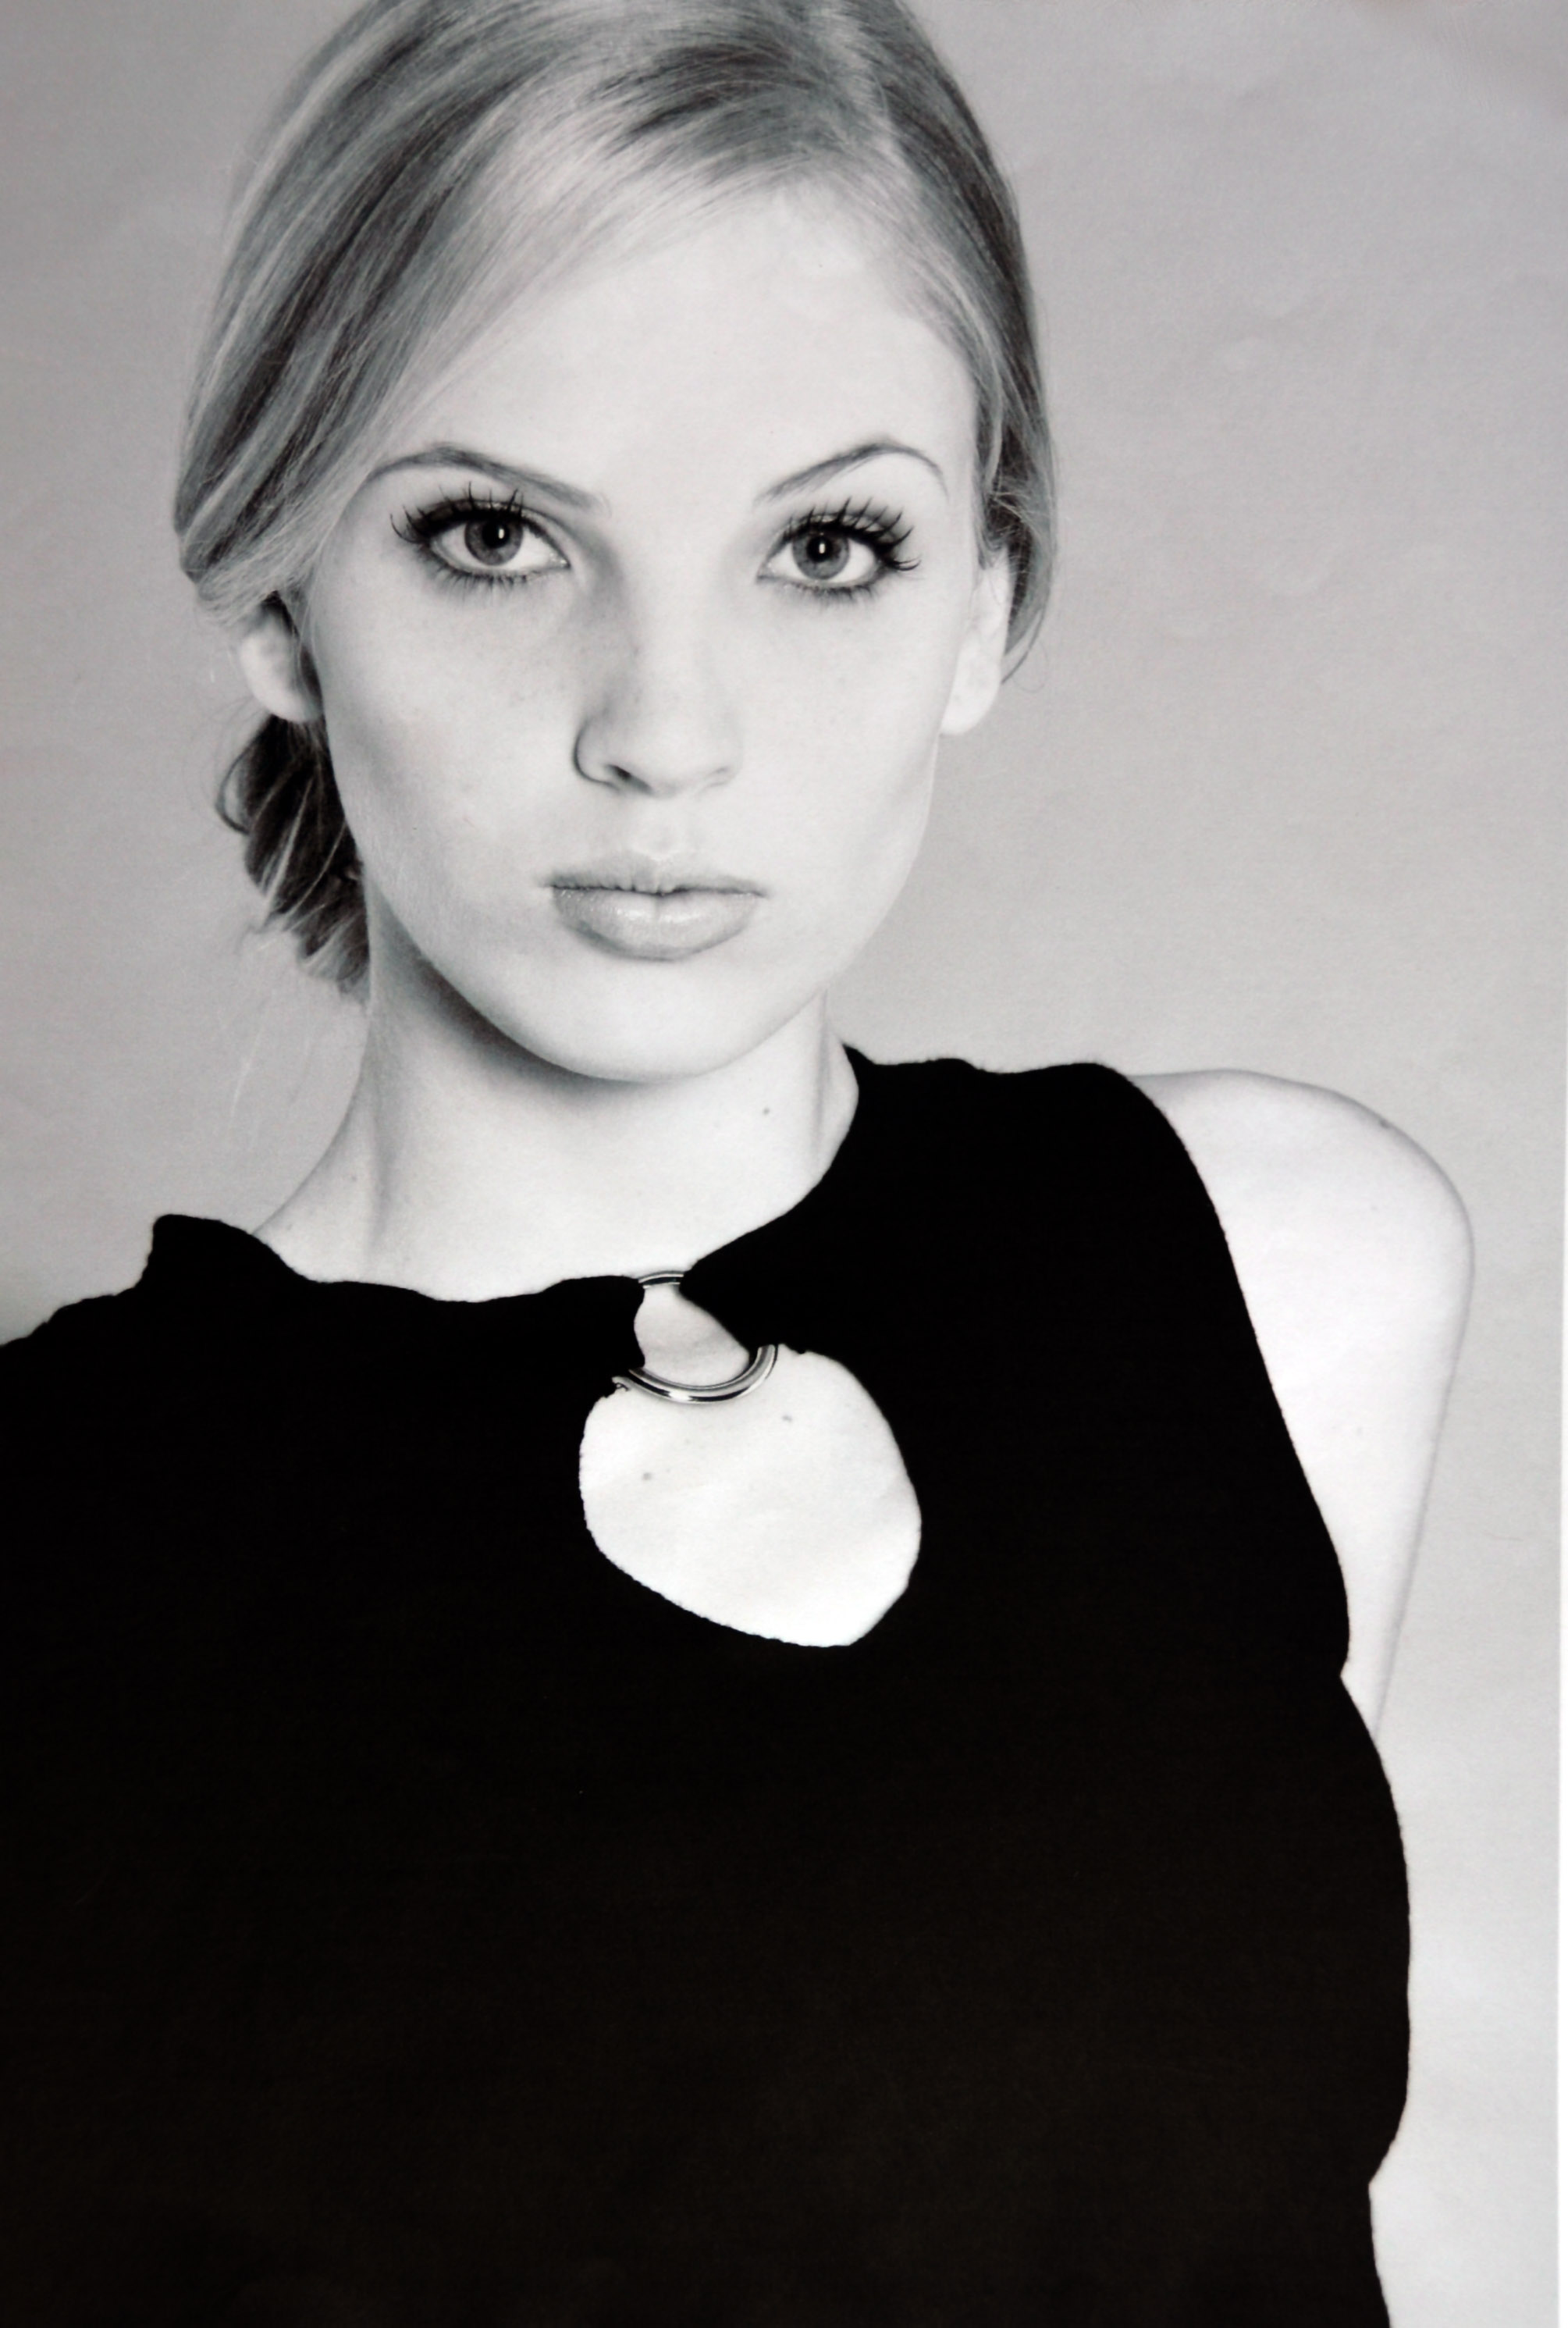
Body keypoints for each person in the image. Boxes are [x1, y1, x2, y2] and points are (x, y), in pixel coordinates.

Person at [0, 1, 1471, 2322]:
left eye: (828, 545)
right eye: (495, 536)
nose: (665, 733)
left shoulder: (1280, 1268)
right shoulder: (48, 1550)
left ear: (984, 606)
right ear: (282, 596)